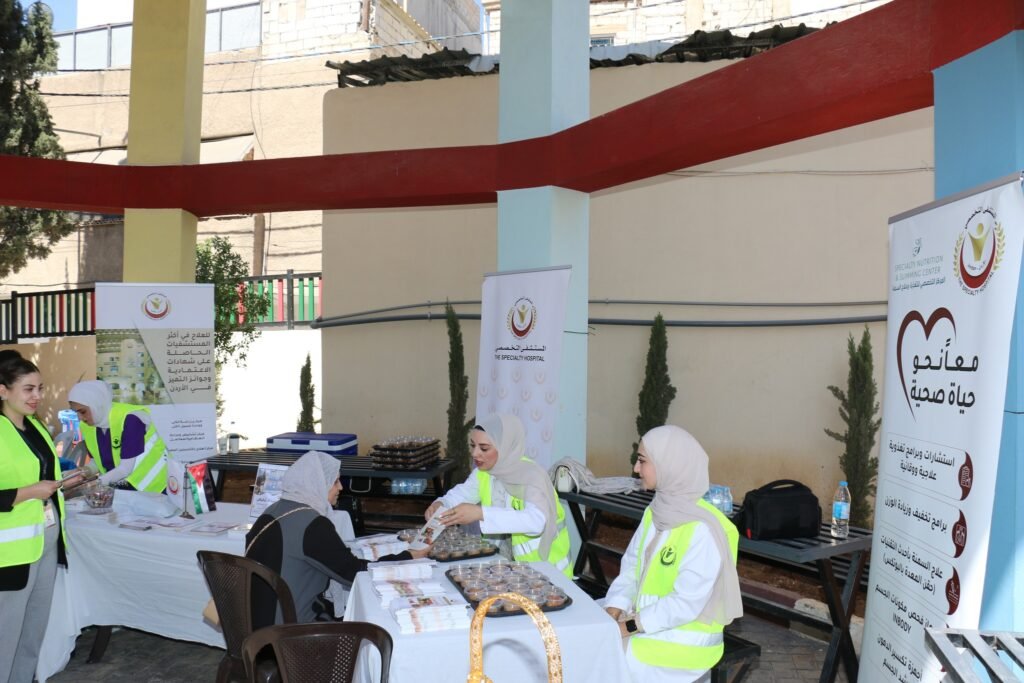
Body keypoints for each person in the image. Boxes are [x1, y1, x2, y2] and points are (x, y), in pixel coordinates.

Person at [603, 425, 743, 682]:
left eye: (642, 460)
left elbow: (685, 603)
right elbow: (632, 566)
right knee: (584, 634)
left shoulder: (704, 528)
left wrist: (627, 626)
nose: (635, 468)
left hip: (683, 644)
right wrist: (614, 607)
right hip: (650, 625)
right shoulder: (657, 510)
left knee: (601, 658)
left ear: (668, 465)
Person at [246, 451, 430, 625]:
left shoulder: (272, 511)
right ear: (318, 483)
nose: (341, 487)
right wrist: (407, 557)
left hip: (256, 622)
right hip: (292, 629)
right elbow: (354, 573)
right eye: (335, 481)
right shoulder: (312, 525)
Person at [424, 413, 572, 576]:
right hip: (508, 568)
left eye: (484, 448)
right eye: (473, 446)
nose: (475, 453)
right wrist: (442, 504)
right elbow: (461, 495)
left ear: (505, 446)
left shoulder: (532, 476)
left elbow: (536, 521)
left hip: (548, 572)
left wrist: (481, 513)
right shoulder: (484, 472)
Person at [0, 358, 67, 683]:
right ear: (3, 391)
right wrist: (28, 492)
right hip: (10, 555)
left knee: (32, 634)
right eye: (28, 389)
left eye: (40, 388)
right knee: (5, 639)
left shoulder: (36, 427)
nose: (37, 396)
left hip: (45, 543)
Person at [67, 380, 168, 493]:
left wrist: (93, 485)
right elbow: (99, 461)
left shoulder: (131, 419)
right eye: (76, 412)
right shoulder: (88, 425)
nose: (79, 418)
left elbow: (125, 469)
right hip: (125, 490)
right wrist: (83, 471)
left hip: (155, 489)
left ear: (97, 404)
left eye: (82, 412)